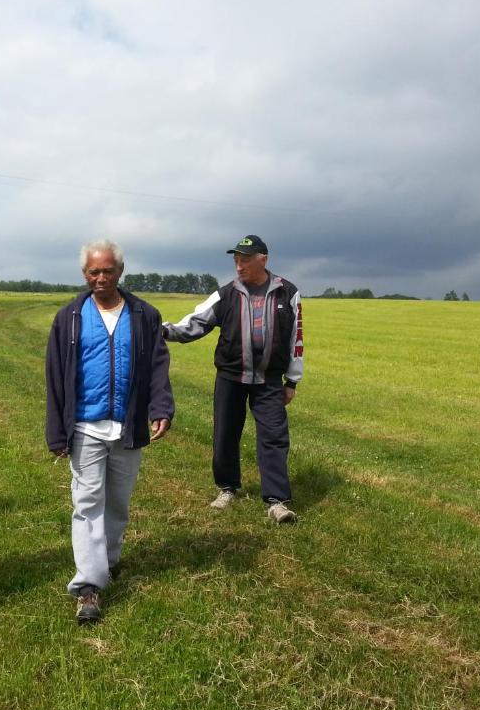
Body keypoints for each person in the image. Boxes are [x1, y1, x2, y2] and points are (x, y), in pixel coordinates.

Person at [46, 240, 174, 624]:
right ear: (84, 275)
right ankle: (88, 587)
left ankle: (108, 560)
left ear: (120, 271)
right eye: (93, 272)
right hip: (85, 425)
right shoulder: (69, 317)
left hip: (128, 425)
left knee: (117, 503)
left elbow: (157, 365)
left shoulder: (143, 315)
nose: (100, 278)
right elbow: (55, 376)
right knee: (87, 504)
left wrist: (161, 406)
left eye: (107, 271)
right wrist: (57, 431)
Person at [163, 234, 303, 523]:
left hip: (269, 380)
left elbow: (295, 339)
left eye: (245, 261)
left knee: (274, 437)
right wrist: (164, 331)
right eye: (236, 261)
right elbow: (196, 322)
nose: (239, 267)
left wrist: (292, 381)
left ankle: (277, 501)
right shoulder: (226, 294)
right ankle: (227, 488)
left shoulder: (286, 292)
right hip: (231, 377)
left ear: (263, 259)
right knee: (225, 434)